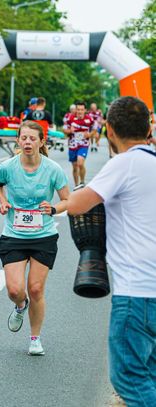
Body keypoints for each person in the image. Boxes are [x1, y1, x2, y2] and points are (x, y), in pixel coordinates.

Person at [67, 96, 156, 406]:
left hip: (138, 292)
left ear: (109, 130)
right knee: (150, 373)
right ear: (149, 129)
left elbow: (78, 204)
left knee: (129, 378)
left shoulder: (124, 163)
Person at [0, 120, 69, 356]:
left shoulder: (53, 169)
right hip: (14, 235)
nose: (27, 142)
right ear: (18, 140)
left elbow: (67, 200)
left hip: (43, 236)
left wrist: (53, 209)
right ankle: (20, 305)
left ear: (41, 141)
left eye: (32, 138)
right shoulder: (7, 167)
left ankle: (35, 339)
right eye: (23, 138)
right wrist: (3, 202)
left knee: (35, 289)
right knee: (15, 290)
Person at [63, 101, 95, 188]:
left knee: (80, 163)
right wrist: (70, 131)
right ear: (76, 110)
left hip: (83, 144)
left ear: (85, 110)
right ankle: (76, 185)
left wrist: (89, 134)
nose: (80, 111)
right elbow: (64, 130)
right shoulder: (70, 118)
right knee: (74, 167)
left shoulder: (89, 119)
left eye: (82, 109)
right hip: (72, 145)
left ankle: (82, 182)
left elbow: (95, 129)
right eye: (78, 109)